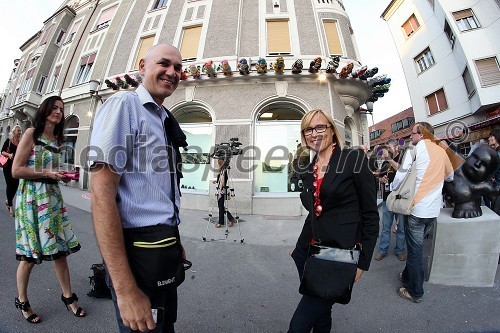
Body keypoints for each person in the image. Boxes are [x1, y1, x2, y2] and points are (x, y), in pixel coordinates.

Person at [90, 44, 187, 333]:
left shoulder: (163, 117)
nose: (172, 72)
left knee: (164, 327)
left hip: (163, 248)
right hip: (136, 256)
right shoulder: (124, 106)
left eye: (178, 68)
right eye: (164, 64)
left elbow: (156, 191)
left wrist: (174, 237)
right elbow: (101, 196)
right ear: (142, 66)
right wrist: (125, 290)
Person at [288, 109, 379, 332]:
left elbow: (370, 214)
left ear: (331, 130)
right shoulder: (310, 168)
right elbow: (315, 211)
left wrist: (363, 262)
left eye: (320, 127)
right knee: (322, 313)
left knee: (298, 325)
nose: (314, 133)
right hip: (308, 252)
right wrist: (299, 246)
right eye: (308, 129)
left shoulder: (353, 158)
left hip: (338, 256)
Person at [12, 96, 85, 324]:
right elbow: (17, 170)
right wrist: (47, 173)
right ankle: (22, 301)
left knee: (60, 251)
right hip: (32, 200)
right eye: (54, 108)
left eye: (61, 110)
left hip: (52, 199)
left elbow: (49, 171)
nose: (58, 112)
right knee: (29, 256)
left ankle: (68, 297)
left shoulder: (56, 139)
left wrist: (60, 176)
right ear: (44, 110)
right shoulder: (31, 133)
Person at [392, 122, 453, 303]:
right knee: (415, 249)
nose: (411, 136)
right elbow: (451, 176)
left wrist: (395, 191)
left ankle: (415, 292)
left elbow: (400, 176)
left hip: (417, 209)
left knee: (415, 252)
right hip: (433, 210)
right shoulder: (442, 151)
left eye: (413, 133)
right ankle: (406, 277)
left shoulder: (415, 150)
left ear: (422, 134)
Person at [374, 138, 406, 261]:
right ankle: (383, 249)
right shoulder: (385, 163)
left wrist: (388, 158)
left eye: (389, 148)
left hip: (400, 198)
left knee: (401, 228)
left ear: (396, 147)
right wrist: (381, 180)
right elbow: (380, 176)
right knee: (386, 227)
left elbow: (401, 170)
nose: (386, 151)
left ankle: (400, 250)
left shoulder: (403, 158)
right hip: (387, 198)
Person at [2, 125, 22, 216]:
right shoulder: (9, 141)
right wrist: (9, 155)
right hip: (7, 167)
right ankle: (10, 206)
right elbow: (2, 151)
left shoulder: (21, 143)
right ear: (14, 132)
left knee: (16, 185)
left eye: (20, 131)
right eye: (18, 130)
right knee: (10, 185)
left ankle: (8, 200)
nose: (19, 132)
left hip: (17, 167)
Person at [213, 158, 236, 228]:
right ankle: (231, 219)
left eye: (218, 163)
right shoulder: (224, 170)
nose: (218, 164)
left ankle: (221, 222)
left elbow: (222, 182)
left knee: (221, 207)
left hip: (221, 190)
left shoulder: (223, 171)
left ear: (220, 163)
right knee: (221, 207)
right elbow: (221, 180)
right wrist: (216, 181)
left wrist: (219, 192)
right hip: (222, 189)